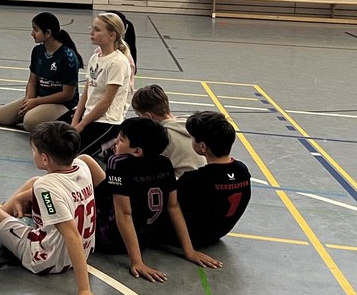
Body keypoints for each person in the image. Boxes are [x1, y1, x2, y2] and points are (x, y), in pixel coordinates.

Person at [0, 122, 115, 295]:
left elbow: (72, 236)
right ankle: (4, 215)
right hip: (83, 251)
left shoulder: (46, 187)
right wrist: (21, 197)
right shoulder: (83, 165)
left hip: (45, 258)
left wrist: (85, 290)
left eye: (34, 150)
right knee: (34, 182)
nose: (33, 153)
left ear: (44, 159)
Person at [94, 117, 222, 282]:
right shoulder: (165, 162)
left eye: (121, 140)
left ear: (137, 151)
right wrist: (189, 250)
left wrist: (137, 262)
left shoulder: (117, 163)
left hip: (112, 239)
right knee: (89, 163)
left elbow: (124, 214)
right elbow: (173, 207)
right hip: (145, 237)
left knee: (83, 162)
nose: (115, 143)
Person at [150, 111, 253, 248]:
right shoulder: (242, 170)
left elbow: (170, 206)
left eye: (192, 138)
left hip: (187, 238)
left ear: (202, 147)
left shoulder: (194, 179)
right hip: (217, 233)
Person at [0, 12, 81, 129]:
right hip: (39, 97)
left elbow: (67, 94)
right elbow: (32, 81)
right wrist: (29, 100)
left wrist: (37, 102)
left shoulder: (68, 57)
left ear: (48, 33)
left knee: (29, 121)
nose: (32, 33)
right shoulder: (37, 51)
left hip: (62, 104)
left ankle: (67, 118)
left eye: (36, 30)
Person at [71, 12, 135, 158]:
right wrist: (75, 120)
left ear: (112, 35)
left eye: (97, 30)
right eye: (92, 28)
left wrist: (81, 125)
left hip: (107, 121)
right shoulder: (95, 58)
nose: (91, 33)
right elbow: (86, 93)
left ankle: (111, 141)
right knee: (55, 139)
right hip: (90, 115)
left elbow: (106, 102)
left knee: (74, 156)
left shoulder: (117, 62)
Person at [130, 85, 205, 177]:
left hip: (183, 182)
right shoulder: (189, 123)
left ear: (148, 117)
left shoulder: (162, 136)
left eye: (139, 115)